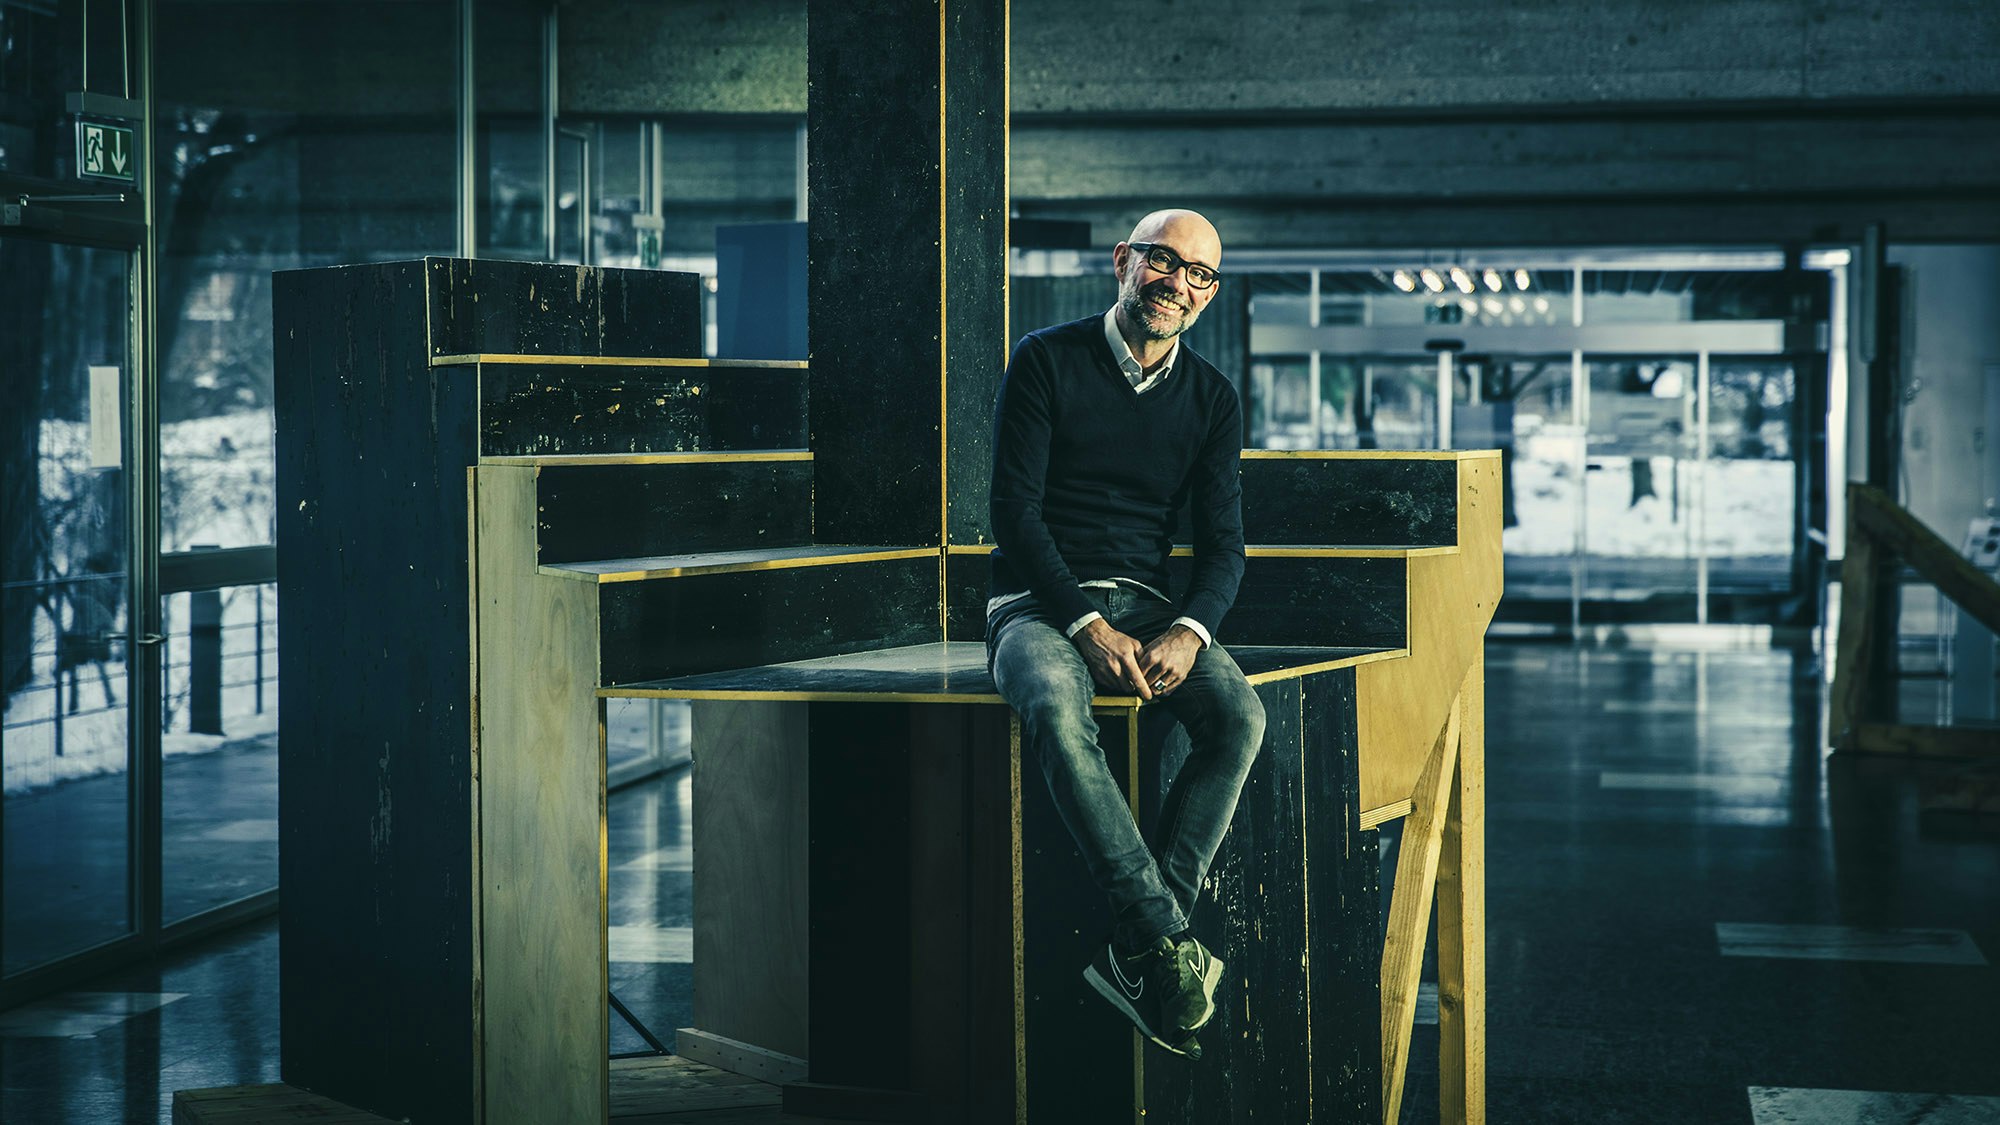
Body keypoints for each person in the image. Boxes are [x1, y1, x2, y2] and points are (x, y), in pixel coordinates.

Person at [986, 208, 1264, 1059]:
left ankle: (1148, 940)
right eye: (1164, 261)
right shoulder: (1044, 359)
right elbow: (1014, 514)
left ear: (1209, 293)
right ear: (1123, 261)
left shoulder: (1212, 398)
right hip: (1036, 604)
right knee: (1052, 702)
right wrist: (1084, 621)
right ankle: (1160, 937)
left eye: (1199, 274)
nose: (1178, 283)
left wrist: (1188, 629)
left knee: (1241, 718)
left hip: (1148, 609)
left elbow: (1225, 550)